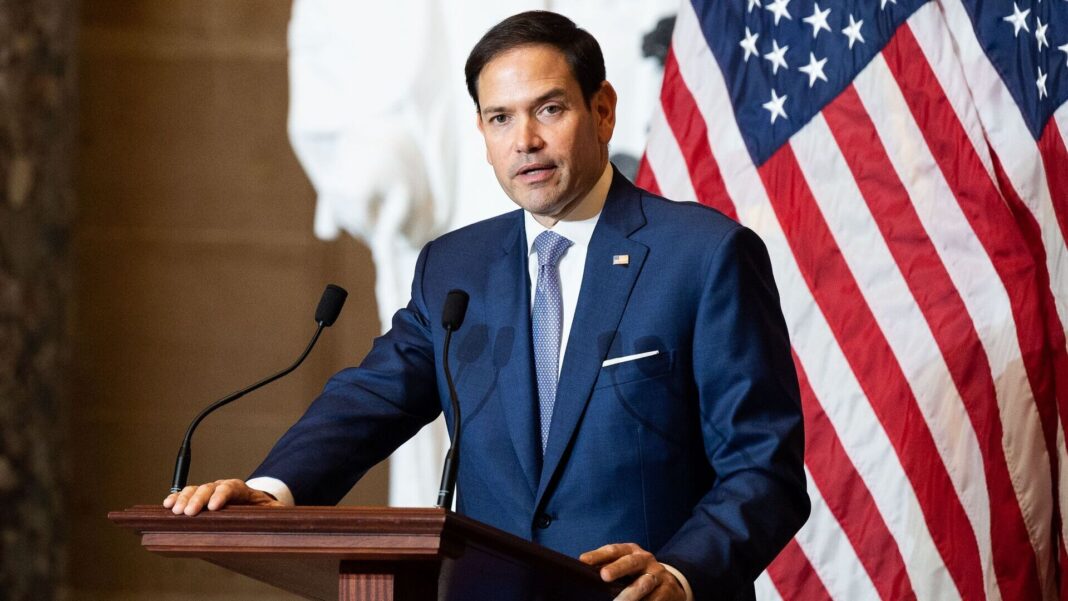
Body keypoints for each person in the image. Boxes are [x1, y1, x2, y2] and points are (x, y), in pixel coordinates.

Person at [163, 11, 809, 601]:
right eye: (500, 117)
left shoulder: (703, 255)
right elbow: (374, 396)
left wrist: (681, 570)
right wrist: (275, 489)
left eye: (548, 109)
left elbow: (764, 465)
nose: (524, 139)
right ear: (482, 130)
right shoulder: (455, 268)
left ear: (604, 111)